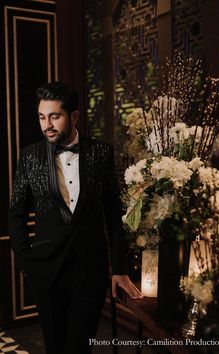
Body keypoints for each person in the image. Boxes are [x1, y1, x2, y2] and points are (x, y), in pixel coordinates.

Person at [8, 81, 143, 354]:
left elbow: (113, 214)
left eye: (55, 116)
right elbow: (16, 213)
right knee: (56, 347)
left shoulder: (100, 153)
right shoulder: (30, 157)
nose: (47, 124)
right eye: (42, 117)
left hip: (89, 271)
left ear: (74, 116)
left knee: (80, 347)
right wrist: (25, 261)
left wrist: (119, 268)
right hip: (47, 271)